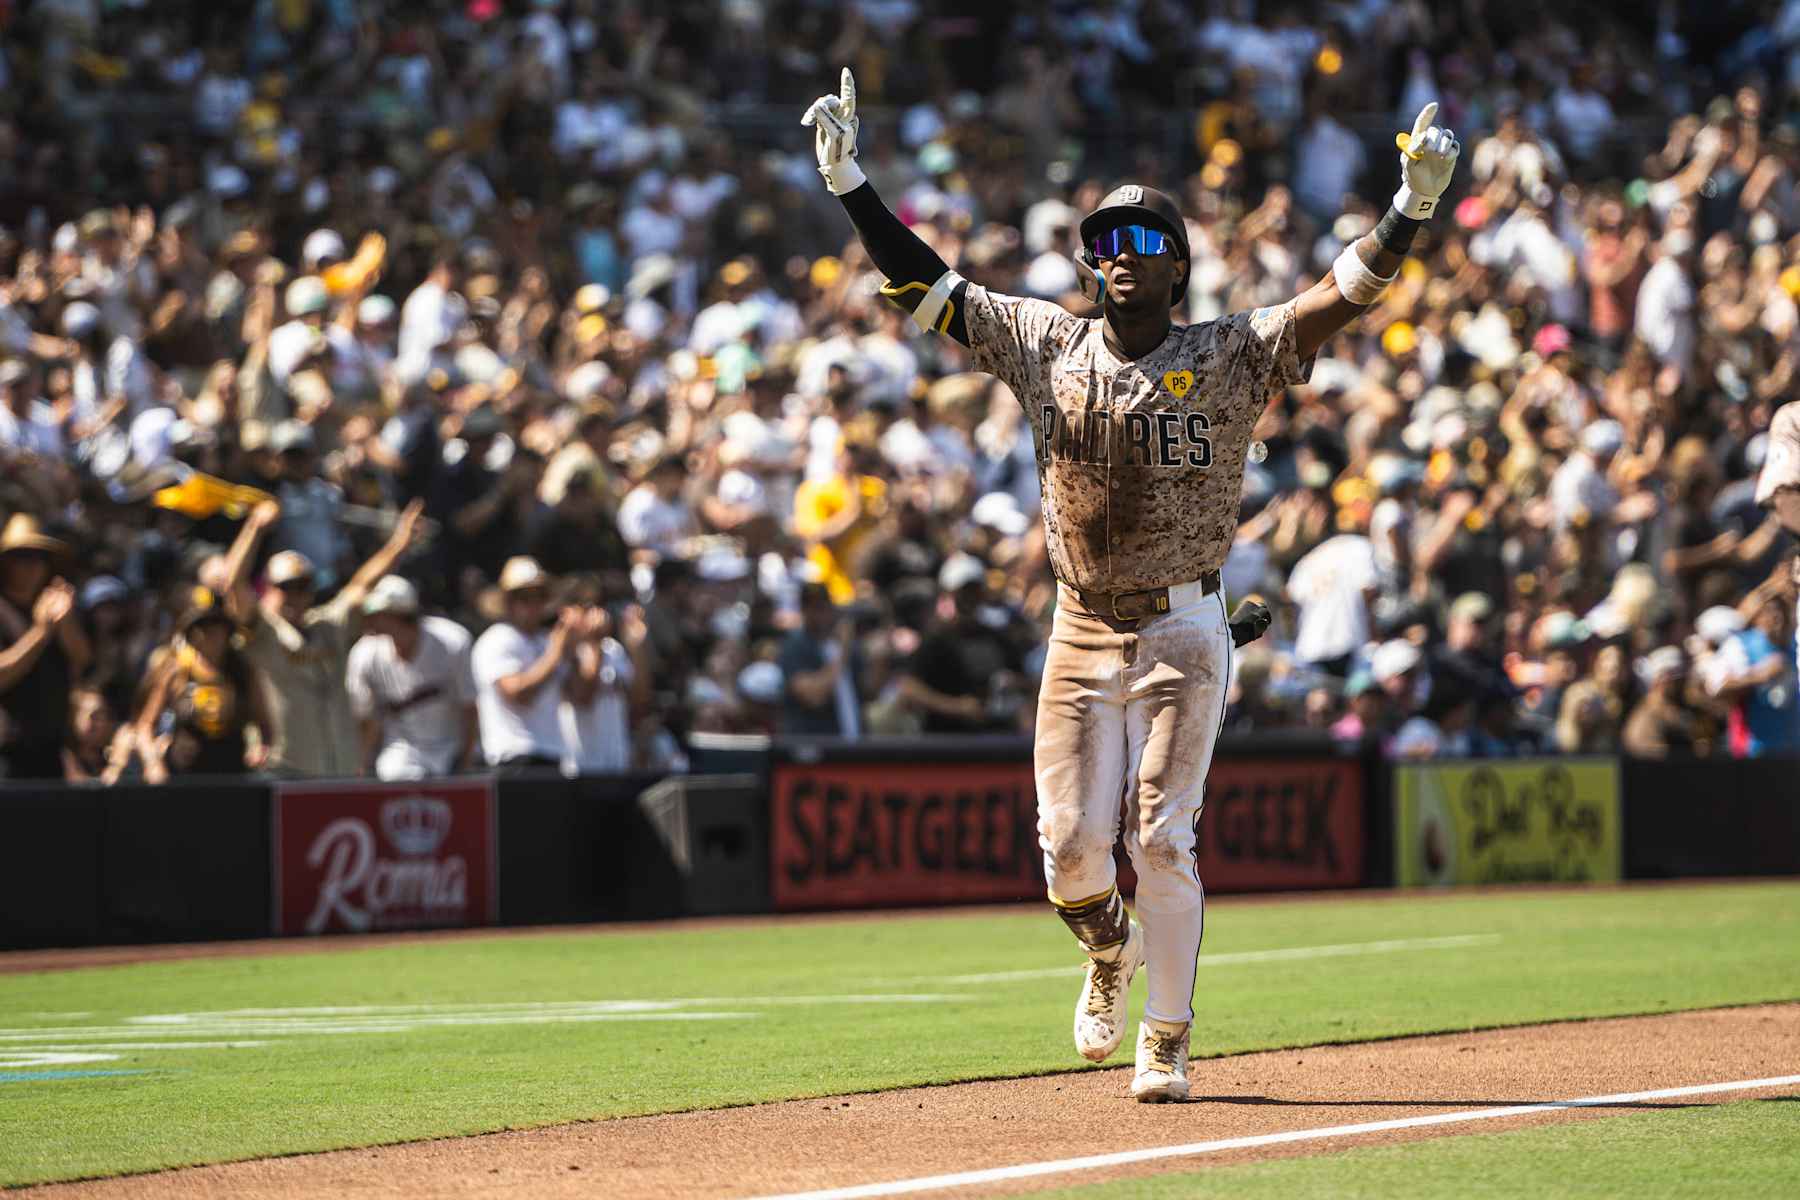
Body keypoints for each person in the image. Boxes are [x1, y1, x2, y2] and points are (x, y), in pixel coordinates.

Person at [804, 70, 1460, 1100]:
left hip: (1188, 625)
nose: (1119, 256)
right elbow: (930, 290)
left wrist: (1411, 207)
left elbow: (1347, 294)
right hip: (1078, 625)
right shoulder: (1047, 344)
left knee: (1160, 834)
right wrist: (850, 186)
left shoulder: (1230, 350)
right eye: (1104, 242)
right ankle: (1107, 950)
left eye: (1142, 242)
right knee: (1068, 852)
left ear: (1178, 267)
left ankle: (1168, 1033)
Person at [220, 496, 426, 777]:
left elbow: (360, 586)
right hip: (287, 770)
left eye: (303, 585)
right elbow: (233, 584)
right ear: (268, 589)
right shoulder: (264, 632)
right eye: (286, 586)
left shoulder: (328, 624)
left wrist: (398, 544)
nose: (295, 595)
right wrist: (255, 525)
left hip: (339, 769)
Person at [470, 557, 603, 772]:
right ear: (509, 602)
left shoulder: (547, 641)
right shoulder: (496, 639)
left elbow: (583, 697)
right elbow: (519, 694)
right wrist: (557, 651)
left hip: (553, 755)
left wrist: (588, 644)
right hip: (513, 758)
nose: (534, 605)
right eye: (525, 598)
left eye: (540, 597)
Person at [344, 575, 478, 781]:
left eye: (379, 614)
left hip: (450, 747)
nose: (371, 620)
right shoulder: (365, 653)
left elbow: (469, 708)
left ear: (401, 615)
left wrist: (465, 764)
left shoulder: (452, 641)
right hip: (400, 751)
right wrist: (361, 765)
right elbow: (366, 720)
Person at [134, 586, 272, 782]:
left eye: (216, 626)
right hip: (184, 778)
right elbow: (144, 727)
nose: (209, 634)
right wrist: (153, 763)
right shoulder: (177, 671)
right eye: (202, 627)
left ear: (227, 631)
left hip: (233, 778)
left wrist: (260, 747)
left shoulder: (243, 672)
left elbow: (266, 725)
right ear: (191, 634)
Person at [0, 515, 89, 779]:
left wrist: (65, 622)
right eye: (22, 557)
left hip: (52, 750)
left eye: (39, 557)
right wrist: (41, 631)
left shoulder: (55, 607)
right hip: (8, 753)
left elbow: (82, 661)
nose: (32, 566)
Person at [778, 581, 864, 737]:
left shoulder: (845, 644)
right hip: (814, 746)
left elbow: (869, 690)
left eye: (826, 607)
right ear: (804, 610)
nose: (823, 614)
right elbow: (814, 697)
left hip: (853, 742)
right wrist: (843, 653)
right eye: (816, 608)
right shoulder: (794, 646)